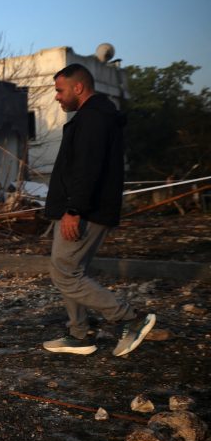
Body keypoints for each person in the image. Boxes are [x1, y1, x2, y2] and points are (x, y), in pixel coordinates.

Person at [42, 63, 155, 356]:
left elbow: (87, 168)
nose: (57, 96)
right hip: (84, 207)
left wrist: (74, 210)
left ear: (78, 87)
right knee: (69, 270)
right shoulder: (95, 116)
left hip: (85, 210)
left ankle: (129, 318)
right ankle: (79, 334)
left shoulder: (92, 118)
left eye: (60, 90)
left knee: (65, 273)